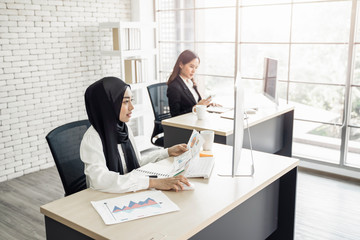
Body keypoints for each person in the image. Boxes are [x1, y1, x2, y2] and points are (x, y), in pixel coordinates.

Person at [80, 76, 191, 193]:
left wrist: (167, 152)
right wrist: (152, 182)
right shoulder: (93, 138)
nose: (132, 107)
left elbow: (137, 163)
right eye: (125, 102)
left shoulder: (123, 128)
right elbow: (99, 180)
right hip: (102, 197)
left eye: (131, 100)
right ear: (107, 105)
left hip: (126, 191)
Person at [167, 50, 219, 117]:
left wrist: (207, 105)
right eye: (191, 66)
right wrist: (196, 108)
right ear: (181, 65)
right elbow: (175, 115)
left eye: (196, 68)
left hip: (194, 120)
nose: (194, 71)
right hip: (184, 124)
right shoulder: (174, 87)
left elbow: (197, 103)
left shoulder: (190, 83)